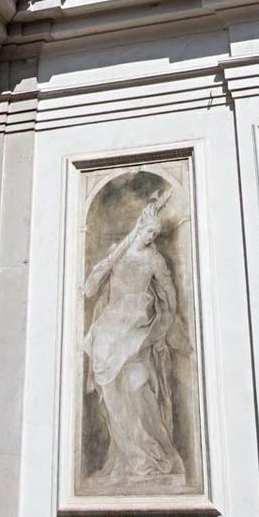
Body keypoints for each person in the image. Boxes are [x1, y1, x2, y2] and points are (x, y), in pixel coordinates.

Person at [81, 191, 190, 486]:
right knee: (111, 387)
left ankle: (147, 450)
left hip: (137, 321)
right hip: (111, 323)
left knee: (137, 384)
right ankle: (128, 450)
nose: (151, 236)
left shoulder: (154, 260)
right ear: (140, 228)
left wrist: (170, 315)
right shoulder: (118, 252)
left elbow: (168, 289)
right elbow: (94, 286)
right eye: (148, 231)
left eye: (155, 234)